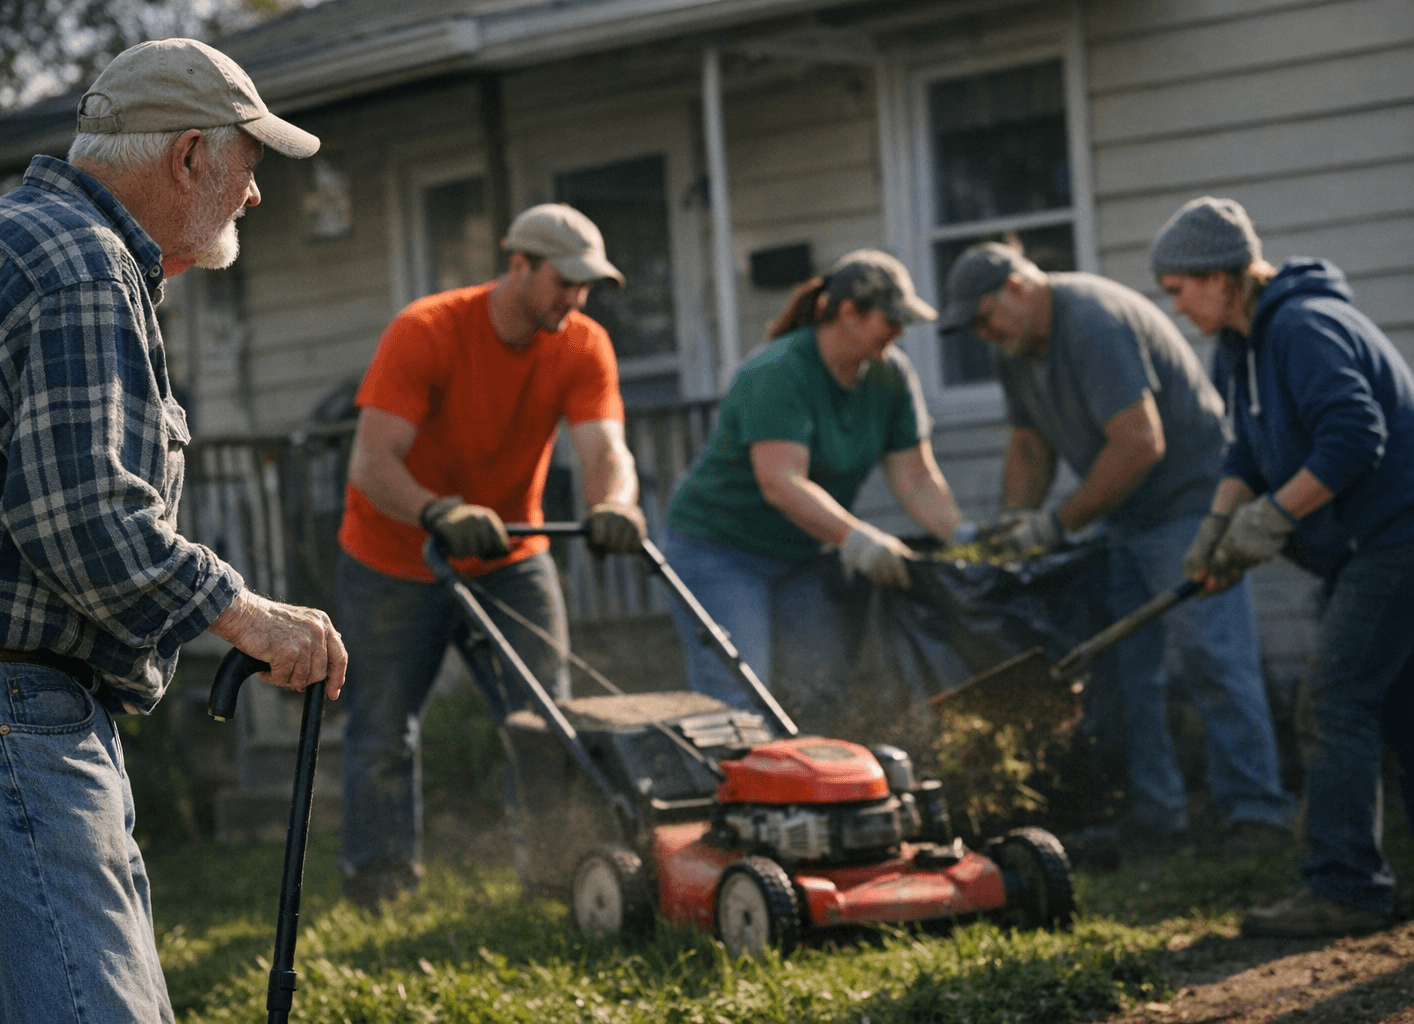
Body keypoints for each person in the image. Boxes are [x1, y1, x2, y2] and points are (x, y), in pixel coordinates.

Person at [0, 38, 347, 1024]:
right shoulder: (81, 262)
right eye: (248, 165)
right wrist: (250, 616)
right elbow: (84, 518)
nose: (254, 197)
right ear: (188, 158)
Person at [334, 202, 647, 910]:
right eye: (565, 282)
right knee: (383, 730)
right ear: (519, 266)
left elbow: (604, 449)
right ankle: (379, 887)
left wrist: (617, 505)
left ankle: (559, 877)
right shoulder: (428, 331)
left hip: (512, 552)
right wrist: (438, 511)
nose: (577, 298)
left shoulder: (582, 343)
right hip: (394, 555)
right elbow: (371, 463)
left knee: (546, 722)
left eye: (586, 285)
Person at [938, 240, 1294, 848]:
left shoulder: (1092, 321)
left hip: (1191, 502)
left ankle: (1257, 813)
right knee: (1128, 669)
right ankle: (1157, 815)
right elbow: (1028, 446)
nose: (983, 334)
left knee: (1211, 656)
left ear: (1019, 288)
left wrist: (1056, 526)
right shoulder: (1016, 347)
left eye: (985, 317)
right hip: (1122, 514)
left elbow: (1139, 443)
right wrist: (1015, 521)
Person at [1152, 195, 1414, 937]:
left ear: (1221, 274)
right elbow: (1246, 452)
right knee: (1395, 710)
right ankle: (1359, 881)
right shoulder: (1242, 347)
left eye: (1178, 289)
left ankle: (1344, 888)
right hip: (1371, 546)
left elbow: (1355, 435)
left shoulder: (1304, 327)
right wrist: (1217, 528)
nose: (1175, 306)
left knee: (1332, 702)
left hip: (1398, 536)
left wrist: (1273, 518)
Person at [662, 249, 967, 729]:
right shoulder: (780, 372)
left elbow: (917, 478)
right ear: (848, 313)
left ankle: (816, 801)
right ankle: (733, 801)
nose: (900, 331)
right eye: (891, 319)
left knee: (818, 691)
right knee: (741, 699)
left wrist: (963, 538)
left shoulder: (890, 377)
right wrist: (859, 539)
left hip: (801, 555)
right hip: (719, 551)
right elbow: (781, 484)